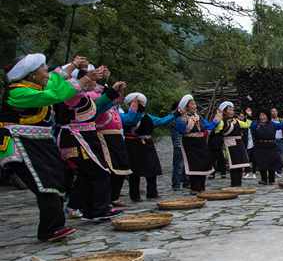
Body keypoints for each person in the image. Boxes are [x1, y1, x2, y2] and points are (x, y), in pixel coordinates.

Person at [0, 53, 79, 241]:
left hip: (38, 142)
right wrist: (75, 79)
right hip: (20, 142)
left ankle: (54, 226)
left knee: (56, 178)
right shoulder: (17, 92)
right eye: (43, 69)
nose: (47, 73)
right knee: (44, 182)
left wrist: (67, 69)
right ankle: (49, 229)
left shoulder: (33, 88)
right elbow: (56, 94)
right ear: (32, 74)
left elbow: (52, 87)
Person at [56, 63, 123, 221]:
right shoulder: (70, 97)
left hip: (82, 136)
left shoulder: (82, 97)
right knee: (100, 172)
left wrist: (110, 87)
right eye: (90, 78)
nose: (94, 82)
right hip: (77, 137)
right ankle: (99, 209)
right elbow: (97, 102)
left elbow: (98, 103)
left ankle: (85, 208)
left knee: (87, 175)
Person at [120, 92, 176, 200]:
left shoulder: (148, 117)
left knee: (151, 169)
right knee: (134, 172)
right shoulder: (125, 117)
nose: (140, 105)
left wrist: (175, 114)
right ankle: (135, 196)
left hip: (147, 145)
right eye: (137, 103)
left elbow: (161, 121)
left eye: (141, 103)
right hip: (132, 145)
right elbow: (131, 120)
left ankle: (152, 193)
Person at [174, 94, 218, 193]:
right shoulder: (182, 118)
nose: (195, 106)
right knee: (194, 165)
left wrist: (216, 121)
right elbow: (181, 130)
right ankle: (195, 188)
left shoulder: (199, 117)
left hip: (201, 143)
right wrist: (186, 121)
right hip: (190, 144)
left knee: (203, 164)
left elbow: (208, 126)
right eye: (192, 104)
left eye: (195, 104)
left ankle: (202, 187)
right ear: (186, 106)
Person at [213, 101, 252, 187]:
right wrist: (217, 121)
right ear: (224, 111)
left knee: (240, 165)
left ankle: (239, 184)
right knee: (233, 166)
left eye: (232, 109)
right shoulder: (222, 121)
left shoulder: (236, 120)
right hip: (229, 144)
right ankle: (234, 184)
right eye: (229, 110)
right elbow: (217, 131)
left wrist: (248, 116)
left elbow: (246, 125)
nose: (232, 111)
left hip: (239, 144)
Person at [250, 110, 283, 185]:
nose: (262, 117)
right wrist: (251, 117)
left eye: (264, 115)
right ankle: (264, 179)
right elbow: (251, 126)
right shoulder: (256, 124)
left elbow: (282, 125)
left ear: (267, 116)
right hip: (260, 146)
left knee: (272, 164)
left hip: (271, 146)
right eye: (261, 115)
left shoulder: (272, 124)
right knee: (261, 163)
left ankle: (271, 180)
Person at [270, 107, 283, 175]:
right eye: (272, 111)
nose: (274, 112)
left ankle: (278, 170)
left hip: (280, 140)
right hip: (272, 140)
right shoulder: (269, 121)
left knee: (280, 156)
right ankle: (274, 170)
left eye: (275, 111)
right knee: (273, 156)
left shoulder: (281, 120)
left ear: (277, 112)